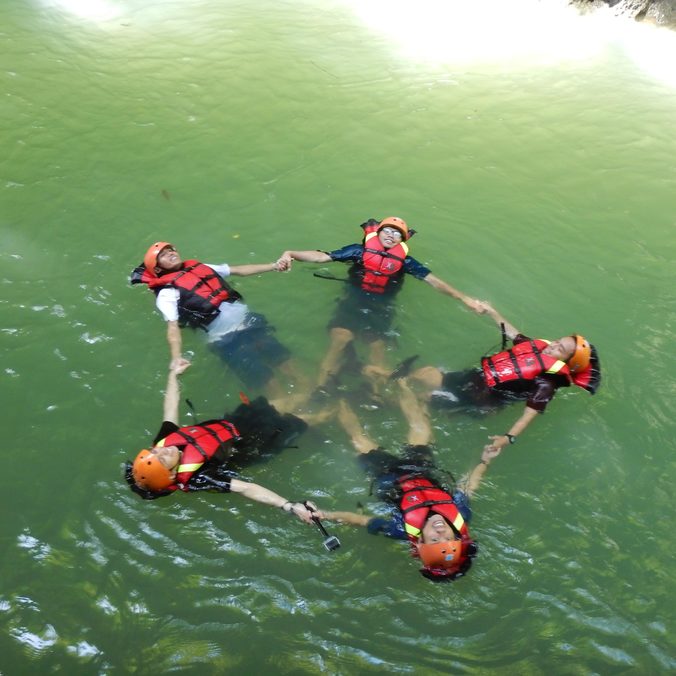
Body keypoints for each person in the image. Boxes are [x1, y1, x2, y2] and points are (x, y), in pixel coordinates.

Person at [277, 217, 489, 390]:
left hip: (381, 306)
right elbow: (321, 257)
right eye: (386, 231)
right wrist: (291, 254)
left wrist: (465, 299)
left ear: (402, 240)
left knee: (377, 348)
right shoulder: (358, 251)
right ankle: (320, 389)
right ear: (377, 233)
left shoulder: (405, 262)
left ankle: (376, 394)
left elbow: (434, 282)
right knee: (339, 339)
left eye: (396, 234)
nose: (390, 235)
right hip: (353, 300)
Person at [315, 379, 493, 581]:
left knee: (358, 439)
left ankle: (338, 399)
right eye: (448, 538)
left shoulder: (399, 529)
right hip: (421, 471)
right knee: (420, 427)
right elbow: (468, 486)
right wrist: (485, 460)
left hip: (387, 476)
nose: (441, 531)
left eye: (435, 539)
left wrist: (324, 515)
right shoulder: (460, 515)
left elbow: (359, 520)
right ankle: (402, 383)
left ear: (421, 541)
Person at [124, 360, 315, 525]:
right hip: (253, 444)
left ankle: (316, 389)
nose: (162, 451)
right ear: (172, 474)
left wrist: (173, 375)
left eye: (154, 452)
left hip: (234, 422)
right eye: (162, 459)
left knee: (286, 401)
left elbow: (170, 407)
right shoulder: (201, 478)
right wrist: (287, 505)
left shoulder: (164, 443)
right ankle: (326, 407)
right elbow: (246, 488)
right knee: (312, 416)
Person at [400, 304, 602, 455]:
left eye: (560, 349)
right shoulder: (536, 349)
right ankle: (398, 383)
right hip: (473, 379)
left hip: (481, 400)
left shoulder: (546, 383)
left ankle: (420, 430)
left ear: (567, 362)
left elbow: (529, 414)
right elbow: (513, 333)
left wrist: (507, 438)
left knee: (422, 398)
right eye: (557, 341)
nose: (553, 346)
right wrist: (492, 312)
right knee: (427, 372)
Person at [131, 242, 306, 400]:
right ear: (158, 269)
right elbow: (172, 328)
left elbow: (238, 270)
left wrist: (274, 266)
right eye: (163, 255)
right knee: (267, 381)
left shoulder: (201, 267)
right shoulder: (166, 293)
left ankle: (309, 391)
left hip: (248, 322)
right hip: (224, 339)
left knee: (286, 362)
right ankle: (288, 407)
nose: (170, 253)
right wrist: (176, 357)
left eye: (170, 250)